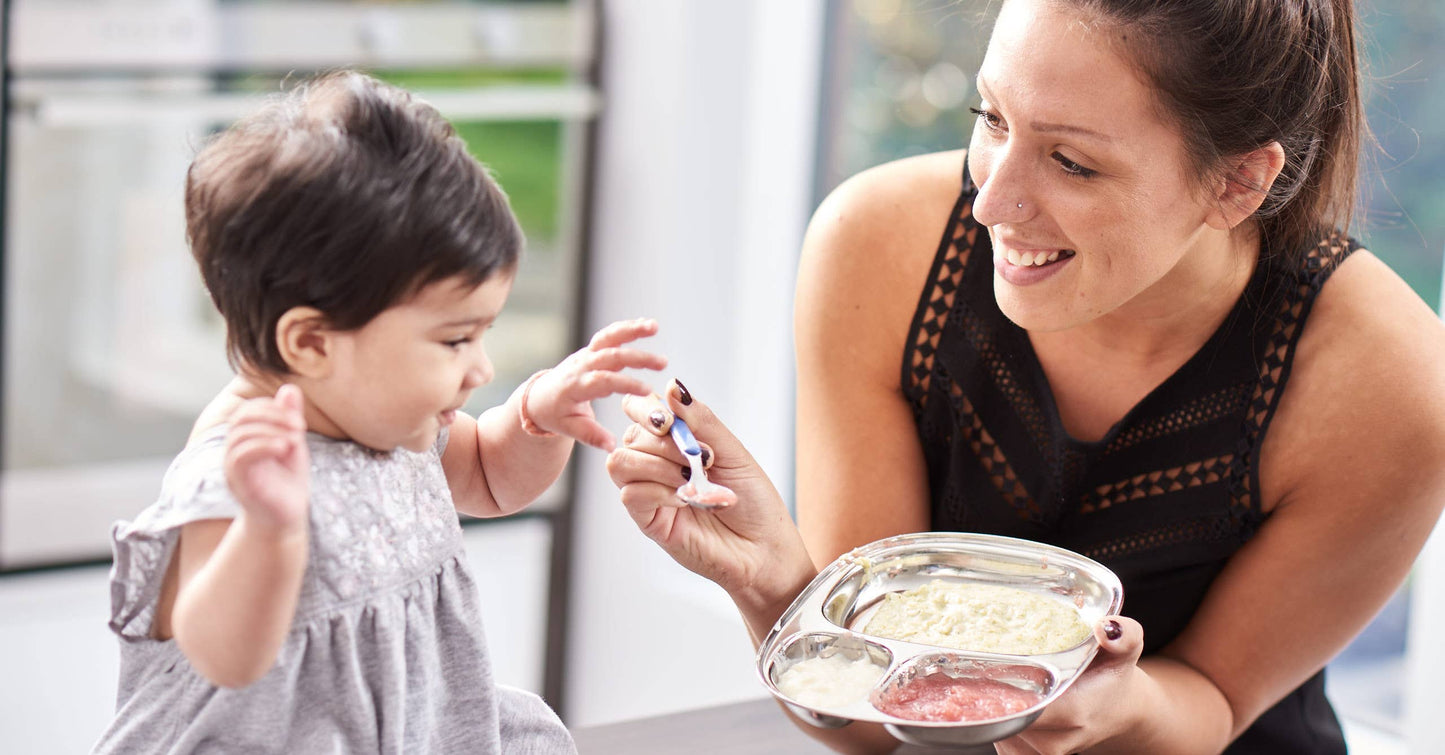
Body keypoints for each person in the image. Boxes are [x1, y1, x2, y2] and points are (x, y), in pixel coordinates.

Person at [607, 0, 1445, 752]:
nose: (988, 201)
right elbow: (866, 724)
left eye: (1071, 163)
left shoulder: (1392, 386)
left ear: (1236, 182)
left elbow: (1216, 704)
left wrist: (1123, 707)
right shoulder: (874, 249)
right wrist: (776, 583)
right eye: (991, 117)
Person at [93, 71, 664, 754]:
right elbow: (222, 653)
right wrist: (271, 532)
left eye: (482, 335)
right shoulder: (239, 470)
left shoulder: (391, 422)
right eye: (455, 340)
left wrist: (536, 418)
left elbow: (490, 477)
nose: (479, 369)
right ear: (310, 342)